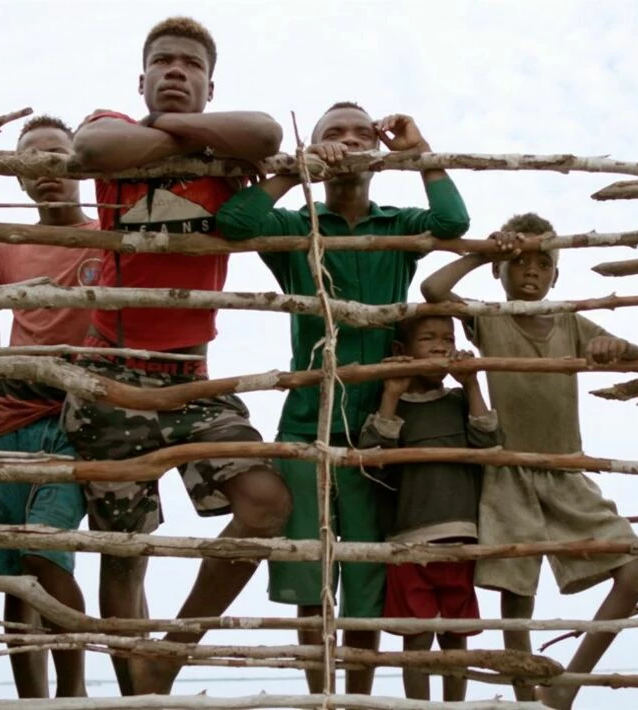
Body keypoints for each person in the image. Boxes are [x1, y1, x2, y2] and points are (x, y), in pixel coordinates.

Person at [60, 16, 287, 696]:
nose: (176, 71)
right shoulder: (116, 127)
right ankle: (139, 695)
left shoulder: (224, 151)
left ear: (211, 84)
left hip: (192, 377)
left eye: (191, 64)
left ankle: (168, 656)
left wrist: (189, 135)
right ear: (141, 78)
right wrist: (185, 136)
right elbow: (93, 146)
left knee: (267, 501)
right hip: (110, 373)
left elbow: (269, 135)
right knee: (124, 553)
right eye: (163, 61)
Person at [216, 101, 471, 695]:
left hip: (382, 429)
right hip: (309, 419)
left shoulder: (397, 227)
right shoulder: (299, 228)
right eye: (335, 133)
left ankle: (355, 700)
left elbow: (454, 221)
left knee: (366, 583)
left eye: (361, 133)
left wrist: (418, 149)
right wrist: (296, 168)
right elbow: (234, 221)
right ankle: (320, 698)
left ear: (378, 156)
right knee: (310, 581)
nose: (350, 141)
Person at [422, 212, 638, 710]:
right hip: (507, 470)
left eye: (542, 263)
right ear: (500, 272)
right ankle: (527, 698)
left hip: (564, 469)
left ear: (556, 274)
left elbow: (637, 355)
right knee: (516, 591)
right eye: (519, 262)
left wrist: (616, 346)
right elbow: (434, 288)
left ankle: (566, 686)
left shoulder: (570, 320)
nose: (530, 271)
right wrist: (484, 251)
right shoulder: (489, 317)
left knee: (637, 572)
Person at [0, 115, 101, 698]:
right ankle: (32, 700)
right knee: (12, 574)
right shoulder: (8, 246)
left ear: (78, 167)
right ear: (17, 179)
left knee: (47, 553)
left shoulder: (102, 237)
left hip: (73, 420)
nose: (45, 170)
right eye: (30, 161)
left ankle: (73, 691)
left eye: (56, 157)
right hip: (10, 416)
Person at [358, 315, 500, 702]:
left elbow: (488, 442)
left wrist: (471, 382)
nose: (441, 346)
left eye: (448, 339)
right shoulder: (393, 405)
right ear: (401, 352)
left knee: (456, 636)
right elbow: (372, 456)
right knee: (416, 637)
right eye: (428, 339)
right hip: (409, 541)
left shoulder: (457, 401)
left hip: (461, 538)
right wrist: (390, 394)